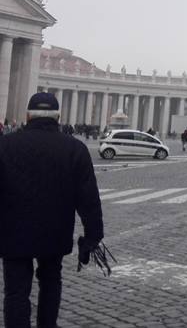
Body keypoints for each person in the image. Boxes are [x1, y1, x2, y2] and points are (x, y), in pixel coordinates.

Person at [0, 93, 104, 328]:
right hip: (55, 230)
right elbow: (88, 198)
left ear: (27, 116)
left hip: (13, 232)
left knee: (15, 291)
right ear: (58, 117)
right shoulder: (75, 148)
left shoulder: (5, 145)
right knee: (50, 281)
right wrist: (93, 236)